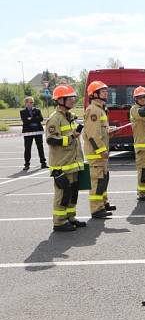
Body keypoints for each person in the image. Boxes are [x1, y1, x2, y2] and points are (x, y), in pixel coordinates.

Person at [45, 85, 86, 232]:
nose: (73, 100)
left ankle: (70, 218)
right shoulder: (54, 119)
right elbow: (51, 140)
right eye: (70, 98)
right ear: (60, 100)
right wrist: (69, 138)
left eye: (74, 98)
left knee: (72, 192)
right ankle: (59, 222)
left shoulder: (70, 116)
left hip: (73, 163)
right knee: (62, 194)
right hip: (61, 165)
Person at [82, 81, 116, 219]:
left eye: (106, 91)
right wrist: (101, 150)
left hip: (101, 154)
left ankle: (103, 203)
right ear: (94, 94)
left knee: (104, 179)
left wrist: (109, 132)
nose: (106, 93)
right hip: (96, 154)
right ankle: (96, 209)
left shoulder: (101, 109)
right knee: (97, 181)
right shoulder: (93, 110)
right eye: (103, 91)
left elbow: (100, 132)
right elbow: (92, 134)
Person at [19, 96, 47, 170]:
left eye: (32, 102)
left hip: (38, 131)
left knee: (40, 147)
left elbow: (41, 119)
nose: (32, 104)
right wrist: (34, 119)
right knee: (27, 148)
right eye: (30, 102)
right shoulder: (22, 112)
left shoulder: (37, 110)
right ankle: (27, 164)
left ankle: (43, 163)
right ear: (26, 103)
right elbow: (25, 121)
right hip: (28, 132)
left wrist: (31, 118)